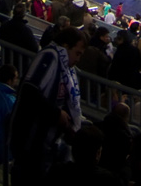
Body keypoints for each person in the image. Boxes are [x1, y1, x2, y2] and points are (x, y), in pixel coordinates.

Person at [11, 28, 88, 184]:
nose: (78, 59)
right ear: (66, 46)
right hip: (31, 145)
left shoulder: (66, 69)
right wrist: (56, 114)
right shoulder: (50, 56)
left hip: (47, 145)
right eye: (77, 53)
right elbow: (29, 91)